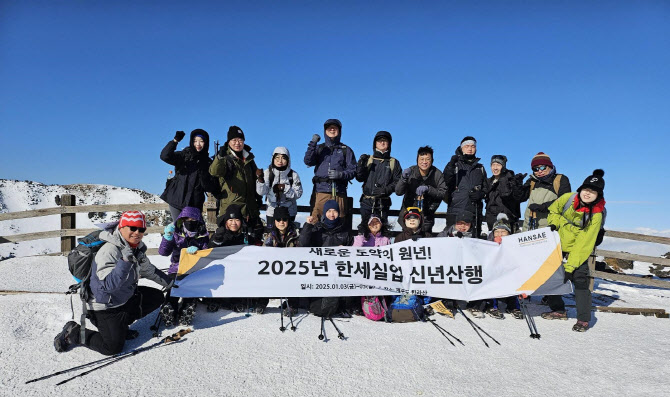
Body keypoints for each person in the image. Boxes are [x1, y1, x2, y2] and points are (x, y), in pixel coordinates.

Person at [54, 211, 171, 355]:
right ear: (121, 228)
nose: (137, 232)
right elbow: (107, 286)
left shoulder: (136, 248)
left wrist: (170, 283)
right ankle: (74, 332)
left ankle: (121, 327)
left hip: (123, 298)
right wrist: (125, 262)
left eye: (141, 229)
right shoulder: (110, 250)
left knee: (157, 296)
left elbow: (148, 270)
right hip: (104, 306)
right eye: (132, 228)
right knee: (112, 348)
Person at [542, 169, 606, 332]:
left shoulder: (596, 215)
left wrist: (570, 267)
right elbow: (553, 210)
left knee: (580, 281)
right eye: (586, 189)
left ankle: (583, 319)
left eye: (593, 191)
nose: (588, 193)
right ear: (581, 189)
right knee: (552, 277)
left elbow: (584, 244)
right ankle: (558, 309)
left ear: (599, 195)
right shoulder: (568, 198)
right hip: (558, 246)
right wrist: (554, 223)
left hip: (578, 251)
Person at [208, 204, 266, 313]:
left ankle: (240, 300)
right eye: (230, 219)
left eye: (237, 220)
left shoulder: (246, 236)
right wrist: (217, 239)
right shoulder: (221, 233)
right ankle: (215, 300)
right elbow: (210, 250)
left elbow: (258, 250)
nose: (233, 223)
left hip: (240, 272)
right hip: (221, 271)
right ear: (226, 221)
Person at [158, 206, 210, 326]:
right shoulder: (176, 234)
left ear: (198, 221)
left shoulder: (202, 235)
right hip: (177, 266)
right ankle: (170, 306)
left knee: (191, 287)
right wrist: (167, 237)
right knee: (173, 286)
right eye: (186, 219)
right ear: (181, 220)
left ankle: (188, 306)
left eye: (192, 220)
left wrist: (198, 252)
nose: (189, 222)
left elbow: (206, 255)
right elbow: (163, 252)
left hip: (194, 269)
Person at [210, 125, 263, 239]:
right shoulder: (224, 157)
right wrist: (219, 157)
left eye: (240, 140)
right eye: (234, 140)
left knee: (249, 245)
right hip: (230, 210)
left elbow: (255, 179)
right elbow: (214, 171)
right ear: (228, 142)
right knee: (229, 244)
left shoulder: (249, 159)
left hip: (249, 209)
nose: (237, 143)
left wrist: (257, 197)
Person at [303, 119, 356, 219]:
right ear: (325, 131)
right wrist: (313, 143)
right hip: (320, 191)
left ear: (339, 131)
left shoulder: (346, 150)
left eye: (335, 128)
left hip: (339, 192)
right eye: (329, 128)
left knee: (339, 222)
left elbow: (353, 170)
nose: (332, 129)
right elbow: (308, 161)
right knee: (315, 221)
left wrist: (340, 175)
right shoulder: (319, 148)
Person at [160, 129, 217, 221]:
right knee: (179, 230)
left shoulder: (208, 162)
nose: (198, 144)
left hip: (194, 204)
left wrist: (204, 173)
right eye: (195, 141)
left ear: (206, 143)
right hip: (177, 200)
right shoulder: (184, 156)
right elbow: (164, 156)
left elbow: (210, 187)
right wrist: (175, 141)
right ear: (191, 142)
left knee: (194, 232)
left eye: (201, 141)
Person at [355, 131, 402, 233]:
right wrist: (360, 166)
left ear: (389, 144)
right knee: (365, 230)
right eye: (379, 140)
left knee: (383, 230)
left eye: (385, 141)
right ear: (375, 143)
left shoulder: (394, 162)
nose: (382, 143)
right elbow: (359, 178)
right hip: (367, 201)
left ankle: (382, 248)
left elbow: (398, 181)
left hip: (383, 203)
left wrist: (385, 190)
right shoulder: (368, 159)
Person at [443, 136, 488, 237]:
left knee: (473, 241)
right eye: (467, 146)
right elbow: (446, 180)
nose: (470, 148)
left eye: (472, 146)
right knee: (451, 240)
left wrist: (481, 194)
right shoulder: (454, 164)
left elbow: (486, 187)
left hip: (474, 211)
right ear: (461, 148)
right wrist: (451, 165)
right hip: (455, 209)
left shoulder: (480, 168)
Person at [395, 146, 446, 234]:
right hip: (408, 215)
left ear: (432, 160)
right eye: (421, 159)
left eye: (427, 159)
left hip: (427, 216)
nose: (424, 162)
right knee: (407, 241)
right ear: (417, 160)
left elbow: (443, 192)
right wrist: (403, 179)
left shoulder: (437, 174)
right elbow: (398, 192)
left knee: (425, 242)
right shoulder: (411, 171)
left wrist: (429, 189)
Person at [484, 213, 524, 320]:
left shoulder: (514, 245)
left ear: (508, 233)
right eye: (497, 231)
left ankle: (513, 306)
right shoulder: (487, 243)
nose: (500, 234)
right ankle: (492, 305)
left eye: (503, 232)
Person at [519, 152, 571, 231]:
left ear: (550, 167)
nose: (539, 171)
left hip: (551, 228)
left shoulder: (560, 179)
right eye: (535, 169)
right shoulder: (532, 181)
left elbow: (565, 202)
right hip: (530, 227)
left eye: (543, 167)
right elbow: (520, 198)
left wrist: (543, 207)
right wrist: (517, 186)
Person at [264, 207, 300, 316]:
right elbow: (263, 252)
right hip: (274, 267)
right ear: (274, 221)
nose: (281, 222)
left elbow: (301, 251)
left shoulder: (296, 234)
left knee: (295, 277)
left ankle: (293, 305)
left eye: (284, 219)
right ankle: (261, 302)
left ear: (288, 220)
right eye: (278, 219)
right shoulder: (270, 235)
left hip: (291, 268)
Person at [256, 147, 303, 227]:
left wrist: (285, 188)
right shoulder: (267, 173)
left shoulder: (293, 175)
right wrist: (260, 180)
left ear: (288, 160)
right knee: (272, 236)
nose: (280, 161)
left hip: (289, 211)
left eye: (283, 158)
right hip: (272, 211)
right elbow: (262, 192)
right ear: (273, 159)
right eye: (277, 157)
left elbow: (298, 193)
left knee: (289, 235)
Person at [484, 155, 527, 233]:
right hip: (492, 223)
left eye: (498, 165)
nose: (495, 168)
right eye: (493, 165)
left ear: (503, 166)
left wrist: (504, 179)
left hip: (508, 222)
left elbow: (507, 195)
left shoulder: (511, 180)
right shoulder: (488, 182)